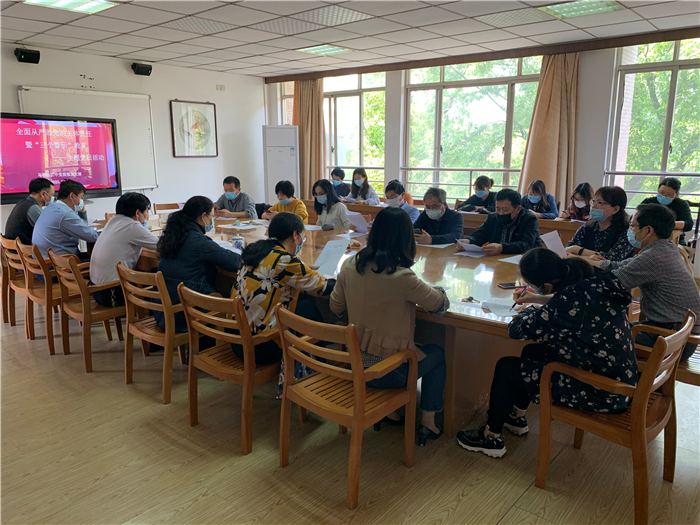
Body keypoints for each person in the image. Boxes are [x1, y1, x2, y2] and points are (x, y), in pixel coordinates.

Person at [457, 248, 637, 458]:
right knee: (533, 351)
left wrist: (530, 309)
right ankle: (516, 417)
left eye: (534, 287)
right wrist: (536, 300)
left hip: (602, 391)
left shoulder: (569, 301)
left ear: (548, 286)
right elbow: (570, 304)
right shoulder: (594, 279)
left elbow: (518, 330)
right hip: (618, 377)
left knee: (507, 368)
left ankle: (491, 437)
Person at [330, 207, 450, 446]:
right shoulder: (402, 276)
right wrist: (437, 289)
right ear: (406, 239)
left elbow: (335, 307)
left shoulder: (351, 263)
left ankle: (391, 413)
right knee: (437, 354)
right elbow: (439, 305)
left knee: (387, 341)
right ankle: (428, 422)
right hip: (388, 372)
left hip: (354, 363)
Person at [236, 212, 335, 394]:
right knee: (309, 307)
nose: (302, 240)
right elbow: (321, 287)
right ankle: (320, 369)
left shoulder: (255, 251)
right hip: (261, 345)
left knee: (302, 302)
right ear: (295, 234)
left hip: (237, 338)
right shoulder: (284, 260)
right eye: (302, 235)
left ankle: (317, 362)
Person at [592, 204, 700, 362]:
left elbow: (614, 281)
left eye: (632, 226)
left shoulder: (654, 256)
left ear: (648, 230)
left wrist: (581, 269)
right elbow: (619, 265)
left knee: (594, 338)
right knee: (607, 329)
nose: (630, 230)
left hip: (670, 339)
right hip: (677, 335)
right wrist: (586, 261)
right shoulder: (666, 248)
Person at [155, 196, 242, 332]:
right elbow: (234, 263)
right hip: (187, 313)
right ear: (203, 216)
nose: (212, 221)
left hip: (164, 311)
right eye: (211, 217)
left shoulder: (174, 234)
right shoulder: (199, 241)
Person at [89, 192, 159, 307]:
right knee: (162, 273)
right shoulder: (132, 226)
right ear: (138, 213)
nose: (147, 216)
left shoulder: (112, 222)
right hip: (112, 294)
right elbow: (163, 246)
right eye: (147, 211)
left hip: (98, 290)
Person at [459, 189, 542, 255]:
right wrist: (468, 241)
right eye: (498, 209)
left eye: (505, 210)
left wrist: (501, 248)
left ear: (518, 209)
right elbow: (480, 235)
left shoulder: (529, 219)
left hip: (524, 262)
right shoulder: (492, 217)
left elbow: (526, 244)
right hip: (497, 261)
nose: (501, 213)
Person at [32, 180, 99, 258]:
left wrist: (82, 212)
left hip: (45, 259)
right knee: (99, 261)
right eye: (81, 197)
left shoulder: (51, 208)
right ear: (72, 196)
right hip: (60, 262)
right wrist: (107, 233)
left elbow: (83, 228)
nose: (82, 201)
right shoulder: (65, 214)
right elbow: (92, 236)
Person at [565, 186, 634, 262]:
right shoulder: (588, 226)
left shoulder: (627, 232)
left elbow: (611, 259)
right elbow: (568, 249)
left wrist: (578, 250)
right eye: (593, 201)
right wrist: (587, 257)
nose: (593, 206)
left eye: (600, 202)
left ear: (615, 209)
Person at [640, 177, 693, 245]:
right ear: (658, 189)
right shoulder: (648, 202)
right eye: (661, 192)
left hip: (675, 242)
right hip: (647, 240)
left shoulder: (681, 204)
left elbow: (688, 224)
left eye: (669, 195)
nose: (664, 196)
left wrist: (665, 225)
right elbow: (637, 219)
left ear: (676, 195)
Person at [4, 177, 55, 245]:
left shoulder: (22, 203)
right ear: (43, 194)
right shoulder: (32, 208)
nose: (53, 198)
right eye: (52, 195)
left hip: (15, 249)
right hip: (26, 249)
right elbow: (49, 231)